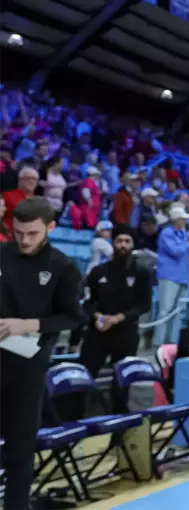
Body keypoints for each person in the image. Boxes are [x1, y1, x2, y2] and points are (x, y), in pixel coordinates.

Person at [0, 197, 85, 509]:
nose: (24, 239)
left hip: (28, 364)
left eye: (32, 233)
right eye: (18, 232)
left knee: (20, 452)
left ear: (50, 227)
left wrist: (30, 324)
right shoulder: (2, 254)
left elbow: (74, 316)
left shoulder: (63, 267)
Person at [80, 223, 153, 412]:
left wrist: (120, 318)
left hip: (126, 334)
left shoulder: (142, 273)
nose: (123, 245)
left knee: (121, 387)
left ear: (133, 245)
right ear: (112, 243)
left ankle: (120, 432)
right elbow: (87, 303)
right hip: (98, 333)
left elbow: (145, 304)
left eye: (127, 241)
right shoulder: (98, 272)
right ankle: (72, 425)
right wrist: (97, 316)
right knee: (82, 379)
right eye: (119, 240)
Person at [155, 205, 189, 346]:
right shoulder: (166, 233)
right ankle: (159, 342)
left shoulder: (184, 233)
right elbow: (176, 251)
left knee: (179, 311)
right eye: (183, 219)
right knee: (165, 310)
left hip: (183, 276)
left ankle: (173, 341)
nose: (185, 222)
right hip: (169, 276)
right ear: (176, 220)